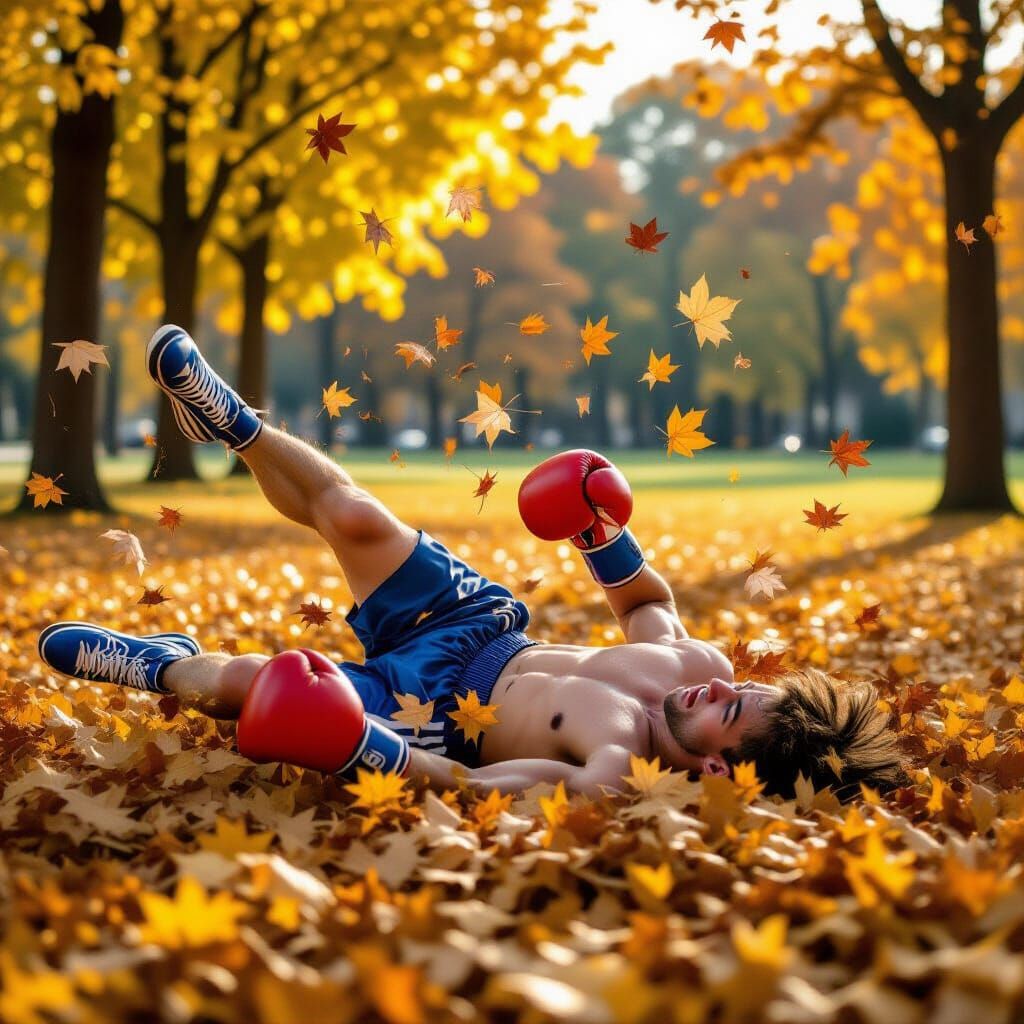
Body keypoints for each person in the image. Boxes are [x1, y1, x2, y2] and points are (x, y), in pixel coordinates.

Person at [37, 325, 906, 801]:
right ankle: (234, 422)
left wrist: (361, 748)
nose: (721, 689)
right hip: (477, 627)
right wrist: (601, 534)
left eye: (730, 715)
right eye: (741, 688)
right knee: (355, 514)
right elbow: (650, 607)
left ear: (717, 769)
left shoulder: (611, 766)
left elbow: (471, 783)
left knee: (248, 687)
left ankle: (159, 664)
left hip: (436, 718)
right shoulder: (694, 665)